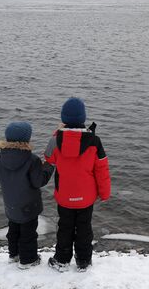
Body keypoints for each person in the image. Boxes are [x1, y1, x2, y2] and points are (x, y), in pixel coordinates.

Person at [45, 97, 111, 272]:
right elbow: (102, 170)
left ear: (63, 118)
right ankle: (83, 261)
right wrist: (104, 194)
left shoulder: (56, 139)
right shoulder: (94, 141)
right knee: (84, 229)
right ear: (83, 118)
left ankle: (62, 260)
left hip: (65, 197)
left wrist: (56, 134)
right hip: (86, 198)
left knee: (65, 228)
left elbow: (48, 157)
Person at [0, 121, 54, 270]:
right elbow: (39, 181)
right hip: (28, 206)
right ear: (27, 140)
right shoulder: (31, 159)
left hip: (11, 204)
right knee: (28, 234)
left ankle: (14, 255)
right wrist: (48, 166)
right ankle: (28, 260)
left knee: (13, 230)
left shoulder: (1, 157)